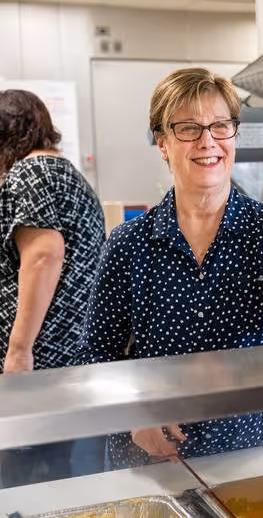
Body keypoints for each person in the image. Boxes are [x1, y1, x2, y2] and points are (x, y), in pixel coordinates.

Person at [76, 68, 263, 468]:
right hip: (153, 463)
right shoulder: (129, 244)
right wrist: (135, 415)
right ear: (162, 143)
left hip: (253, 452)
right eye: (189, 128)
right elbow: (95, 356)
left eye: (221, 126)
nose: (208, 142)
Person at [0, 89, 106, 486]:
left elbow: (45, 255)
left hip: (40, 366)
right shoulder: (66, 173)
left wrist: (19, 351)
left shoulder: (33, 172)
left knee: (28, 485)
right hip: (62, 363)